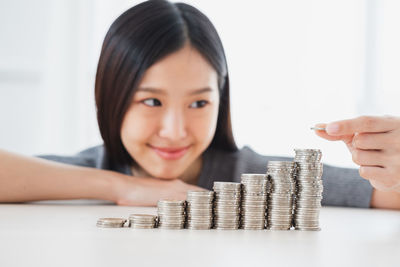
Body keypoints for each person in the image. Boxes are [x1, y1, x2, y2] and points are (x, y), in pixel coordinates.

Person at [0, 0, 399, 209]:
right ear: (110, 96)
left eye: (199, 103)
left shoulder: (255, 175)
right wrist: (123, 187)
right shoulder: (92, 171)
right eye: (152, 101)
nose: (175, 130)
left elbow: (386, 195)